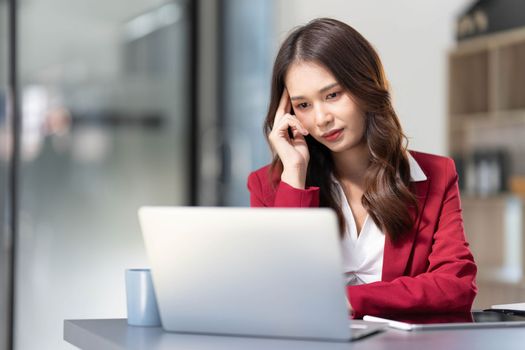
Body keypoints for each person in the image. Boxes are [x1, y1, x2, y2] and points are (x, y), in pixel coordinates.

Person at [247, 18, 477, 317]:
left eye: (332, 95)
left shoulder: (436, 174)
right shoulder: (269, 185)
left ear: (365, 85)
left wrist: (347, 300)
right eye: (303, 105)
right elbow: (276, 292)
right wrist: (294, 174)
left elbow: (456, 287)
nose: (321, 119)